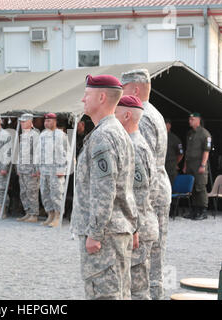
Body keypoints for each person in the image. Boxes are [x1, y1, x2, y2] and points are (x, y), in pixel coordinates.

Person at [70, 75, 138, 300]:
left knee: (105, 295)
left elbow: (104, 190)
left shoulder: (103, 136)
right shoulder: (119, 132)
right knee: (120, 293)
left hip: (106, 236)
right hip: (117, 230)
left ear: (101, 97)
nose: (82, 99)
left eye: (87, 95)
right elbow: (126, 187)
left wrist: (95, 233)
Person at [121, 69, 171, 300]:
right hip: (158, 190)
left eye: (125, 87)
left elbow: (143, 164)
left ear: (136, 89)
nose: (121, 93)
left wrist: (138, 214)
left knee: (148, 260)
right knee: (153, 258)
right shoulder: (154, 113)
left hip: (151, 195)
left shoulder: (145, 117)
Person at [115, 95, 159, 300]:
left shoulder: (135, 147)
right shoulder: (133, 143)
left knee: (137, 290)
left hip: (138, 229)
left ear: (126, 115)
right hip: (140, 226)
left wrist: (133, 229)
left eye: (115, 112)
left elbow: (141, 194)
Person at [36, 113, 69, 228]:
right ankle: (50, 214)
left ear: (55, 122)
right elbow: (38, 152)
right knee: (45, 193)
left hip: (56, 170)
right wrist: (38, 167)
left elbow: (66, 153)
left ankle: (58, 216)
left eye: (49, 121)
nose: (46, 123)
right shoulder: (43, 135)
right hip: (44, 169)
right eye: (45, 121)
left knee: (56, 193)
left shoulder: (61, 135)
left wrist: (62, 169)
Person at [183, 113, 212, 220]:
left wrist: (203, 165)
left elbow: (206, 151)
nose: (189, 121)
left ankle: (203, 210)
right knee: (192, 188)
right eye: (189, 119)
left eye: (192, 119)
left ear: (198, 120)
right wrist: (185, 165)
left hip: (199, 164)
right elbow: (187, 151)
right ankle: (194, 210)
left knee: (200, 187)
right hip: (190, 164)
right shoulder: (190, 133)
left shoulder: (205, 134)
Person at [16, 113, 40, 223]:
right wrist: (18, 168)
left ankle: (34, 214)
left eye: (24, 121)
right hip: (23, 169)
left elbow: (37, 154)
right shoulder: (23, 134)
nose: (22, 123)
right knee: (24, 192)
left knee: (32, 192)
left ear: (30, 122)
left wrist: (36, 170)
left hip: (31, 170)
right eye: (21, 121)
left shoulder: (34, 135)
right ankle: (28, 212)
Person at [165, 119, 184, 186]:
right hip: (161, 167)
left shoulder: (175, 139)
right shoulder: (159, 136)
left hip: (171, 167)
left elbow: (180, 154)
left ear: (169, 125)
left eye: (166, 124)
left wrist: (175, 163)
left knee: (171, 186)